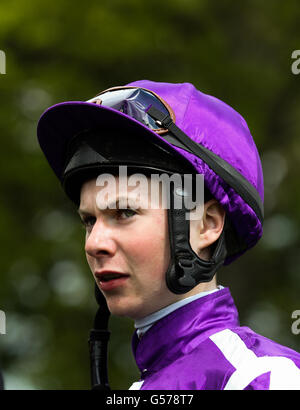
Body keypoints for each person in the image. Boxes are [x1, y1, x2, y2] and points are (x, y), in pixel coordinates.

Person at [37, 80, 300, 390]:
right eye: (89, 220)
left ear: (206, 225)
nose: (95, 244)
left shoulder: (260, 378)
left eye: (124, 213)